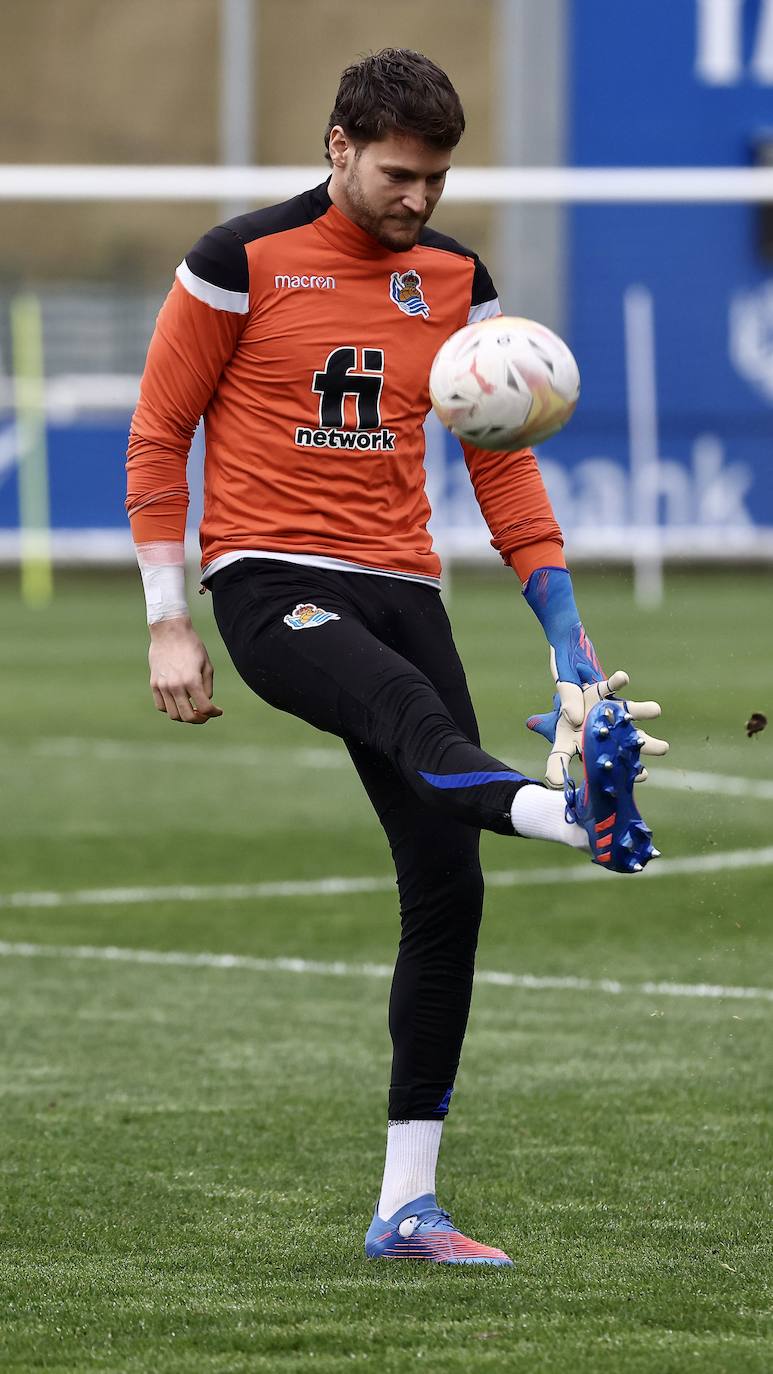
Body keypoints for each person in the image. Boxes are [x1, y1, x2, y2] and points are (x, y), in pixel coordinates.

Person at [126, 48, 668, 1267]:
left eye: (434, 176)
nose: (417, 197)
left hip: (403, 586)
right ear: (336, 146)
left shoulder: (454, 278)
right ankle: (571, 815)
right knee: (417, 724)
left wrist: (568, 645)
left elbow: (502, 466)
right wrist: (170, 618)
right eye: (396, 172)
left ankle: (405, 1208)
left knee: (446, 892)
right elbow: (160, 435)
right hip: (271, 585)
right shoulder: (238, 262)